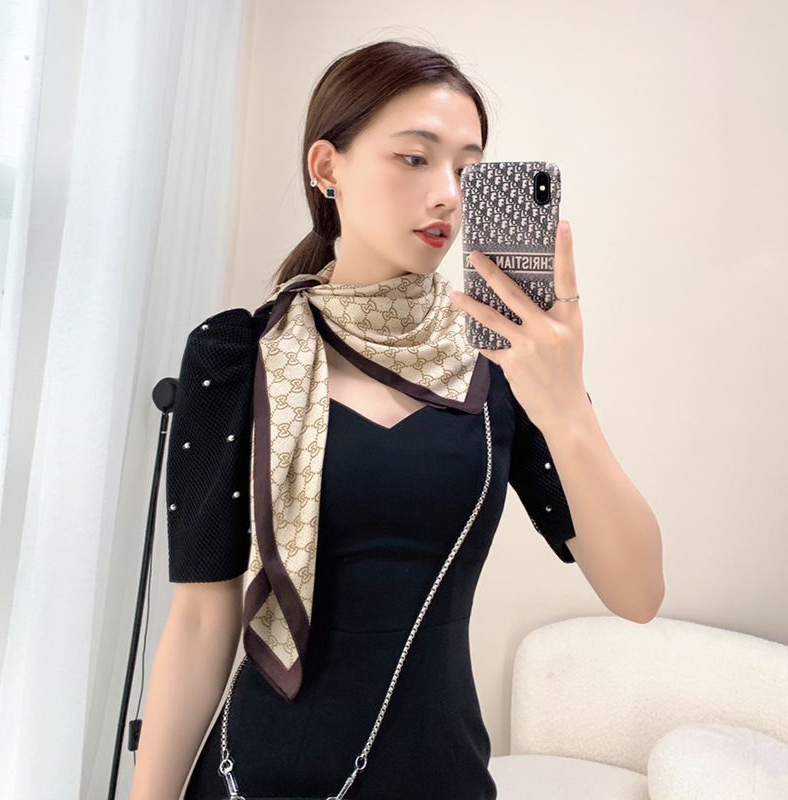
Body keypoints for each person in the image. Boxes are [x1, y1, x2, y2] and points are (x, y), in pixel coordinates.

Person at [130, 39, 663, 800]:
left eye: (467, 170)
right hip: (246, 779)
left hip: (436, 778)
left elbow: (638, 595)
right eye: (414, 158)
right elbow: (200, 617)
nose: (447, 193)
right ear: (327, 167)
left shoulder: (506, 363)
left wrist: (566, 408)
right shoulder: (238, 357)